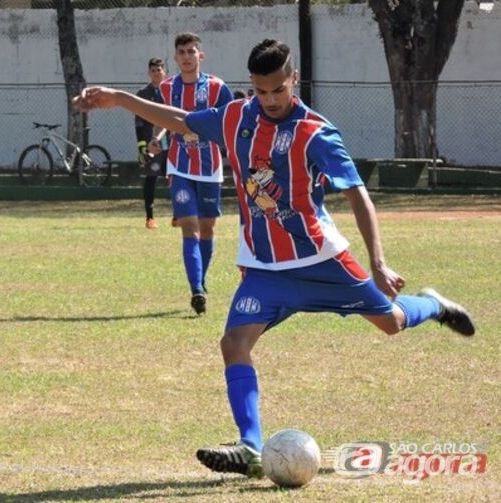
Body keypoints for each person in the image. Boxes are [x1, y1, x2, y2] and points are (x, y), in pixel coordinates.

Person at [72, 38, 475, 478]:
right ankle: (250, 447)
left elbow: (358, 193)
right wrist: (121, 99)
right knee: (233, 344)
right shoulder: (234, 116)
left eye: (278, 90)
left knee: (392, 323)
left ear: (293, 79)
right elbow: (182, 119)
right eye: (262, 91)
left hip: (322, 260)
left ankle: (433, 303)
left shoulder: (315, 132)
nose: (270, 100)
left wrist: (378, 262)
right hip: (265, 268)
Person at [147, 32, 234, 314]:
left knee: (207, 228)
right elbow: (162, 117)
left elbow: (229, 122)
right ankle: (196, 289)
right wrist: (157, 136)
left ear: (201, 55)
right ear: (176, 58)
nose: (186, 56)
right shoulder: (167, 88)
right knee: (189, 226)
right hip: (180, 166)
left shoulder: (217, 88)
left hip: (210, 168)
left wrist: (232, 150)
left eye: (191, 51)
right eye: (182, 52)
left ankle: (201, 279)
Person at [135, 58, 168, 230]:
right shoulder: (143, 94)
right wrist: (142, 147)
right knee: (151, 178)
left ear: (164, 72)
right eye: (153, 70)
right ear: (149, 73)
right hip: (152, 144)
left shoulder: (171, 91)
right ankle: (150, 217)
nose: (156, 73)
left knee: (176, 178)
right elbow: (139, 122)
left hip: (170, 142)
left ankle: (178, 215)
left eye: (159, 70)